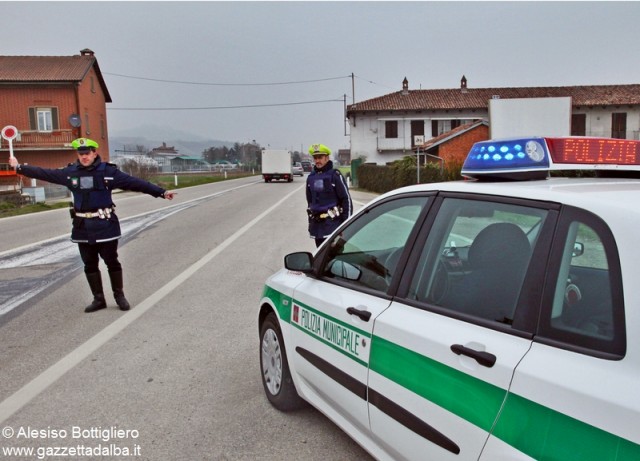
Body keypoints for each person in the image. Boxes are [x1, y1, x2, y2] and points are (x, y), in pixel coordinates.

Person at [8, 138, 176, 313]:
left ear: (94, 152)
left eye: (87, 153)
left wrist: (161, 192)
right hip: (82, 226)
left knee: (112, 262)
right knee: (89, 264)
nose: (84, 157)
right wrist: (20, 168)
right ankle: (98, 299)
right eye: (81, 154)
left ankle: (119, 296)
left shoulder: (108, 172)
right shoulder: (70, 173)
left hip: (105, 224)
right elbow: (45, 173)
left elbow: (136, 183)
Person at [306, 143, 352, 247]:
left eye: (320, 157)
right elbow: (310, 202)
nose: (317, 161)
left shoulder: (334, 176)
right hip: (317, 228)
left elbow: (346, 200)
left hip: (333, 226)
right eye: (315, 158)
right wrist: (310, 223)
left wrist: (346, 226)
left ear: (327, 158)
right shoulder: (310, 178)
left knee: (334, 258)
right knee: (321, 259)